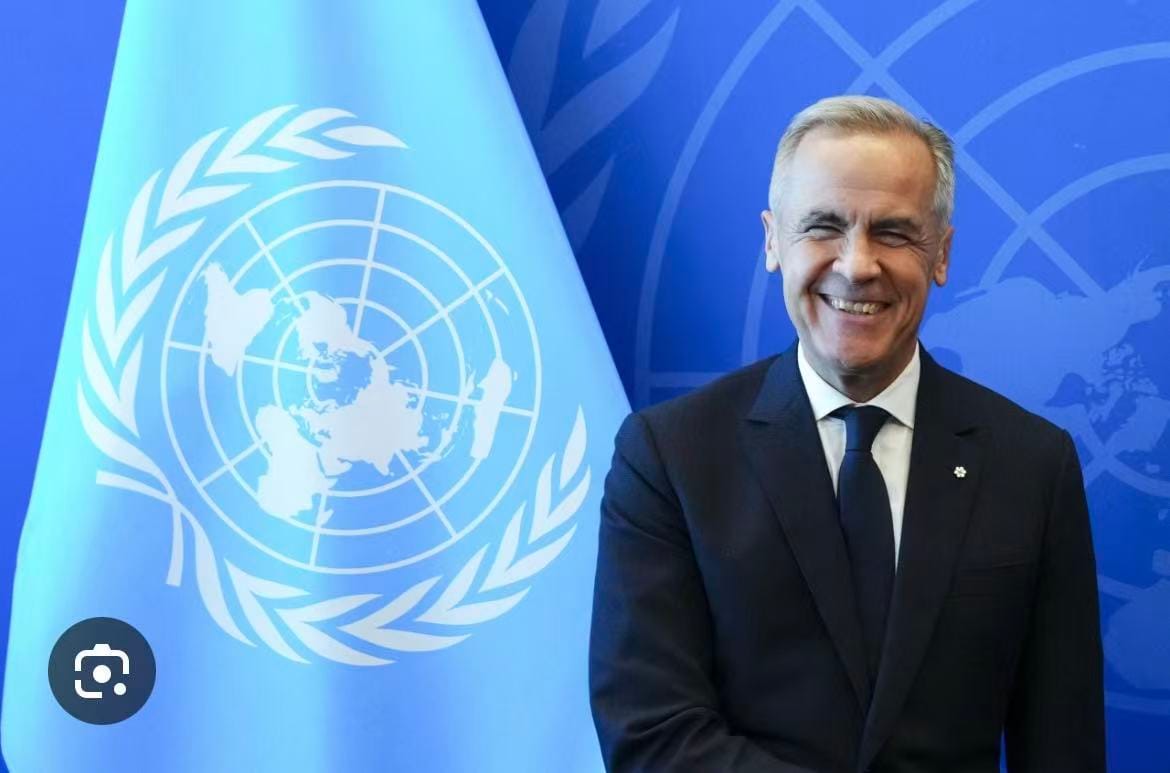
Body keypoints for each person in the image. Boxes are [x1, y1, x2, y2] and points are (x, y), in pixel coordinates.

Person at [589, 95, 1105, 773]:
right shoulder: (669, 456)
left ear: (942, 253)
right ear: (773, 241)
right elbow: (652, 734)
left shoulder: (1033, 464)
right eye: (823, 227)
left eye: (893, 232)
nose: (857, 265)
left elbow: (1065, 748)